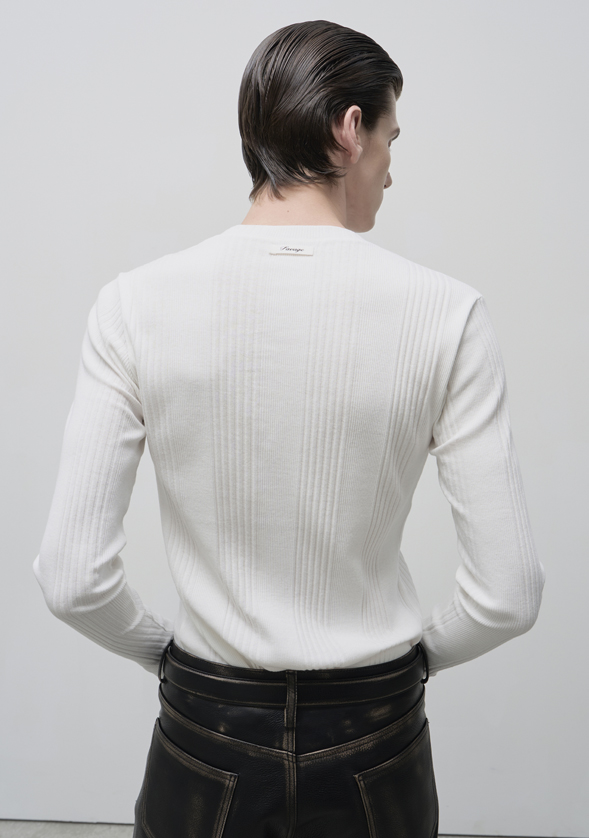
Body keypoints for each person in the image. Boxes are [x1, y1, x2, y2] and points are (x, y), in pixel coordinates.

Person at [33, 19, 546, 838]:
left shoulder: (134, 306)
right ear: (349, 129)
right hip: (375, 728)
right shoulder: (446, 314)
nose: (389, 170)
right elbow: (508, 596)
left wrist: (168, 657)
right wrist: (411, 663)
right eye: (389, 140)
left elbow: (71, 579)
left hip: (205, 723)